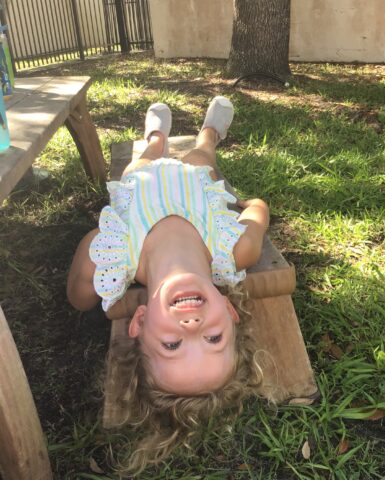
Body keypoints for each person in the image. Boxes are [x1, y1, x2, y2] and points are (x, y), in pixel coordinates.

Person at [66, 96, 269, 470]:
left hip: (140, 182)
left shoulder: (116, 252)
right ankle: (210, 133)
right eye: (213, 339)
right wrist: (250, 202)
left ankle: (155, 136)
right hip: (195, 183)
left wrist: (89, 278)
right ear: (229, 312)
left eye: (173, 344)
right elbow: (259, 214)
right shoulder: (235, 249)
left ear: (140, 323)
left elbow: (78, 297)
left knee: (141, 160)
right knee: (203, 157)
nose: (192, 326)